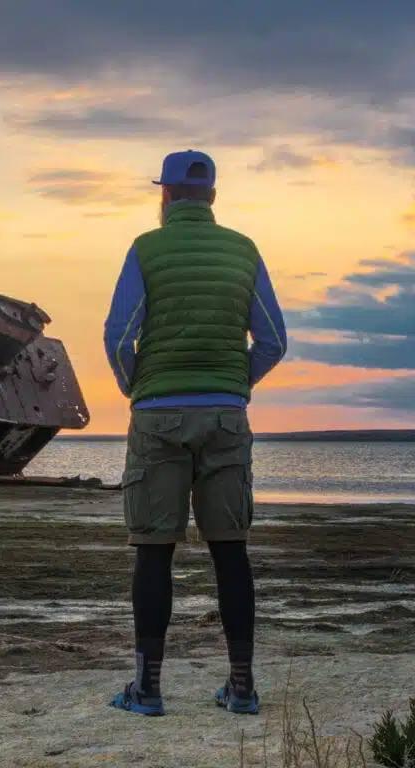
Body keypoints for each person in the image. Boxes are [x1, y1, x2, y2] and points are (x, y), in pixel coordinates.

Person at [103, 150, 287, 717]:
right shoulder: (244, 251)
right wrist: (235, 384)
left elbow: (118, 337)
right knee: (231, 551)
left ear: (165, 196)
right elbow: (274, 341)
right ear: (212, 197)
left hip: (158, 414)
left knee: (153, 551)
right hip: (226, 417)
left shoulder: (145, 249)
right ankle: (241, 688)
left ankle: (148, 689)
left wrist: (141, 388)